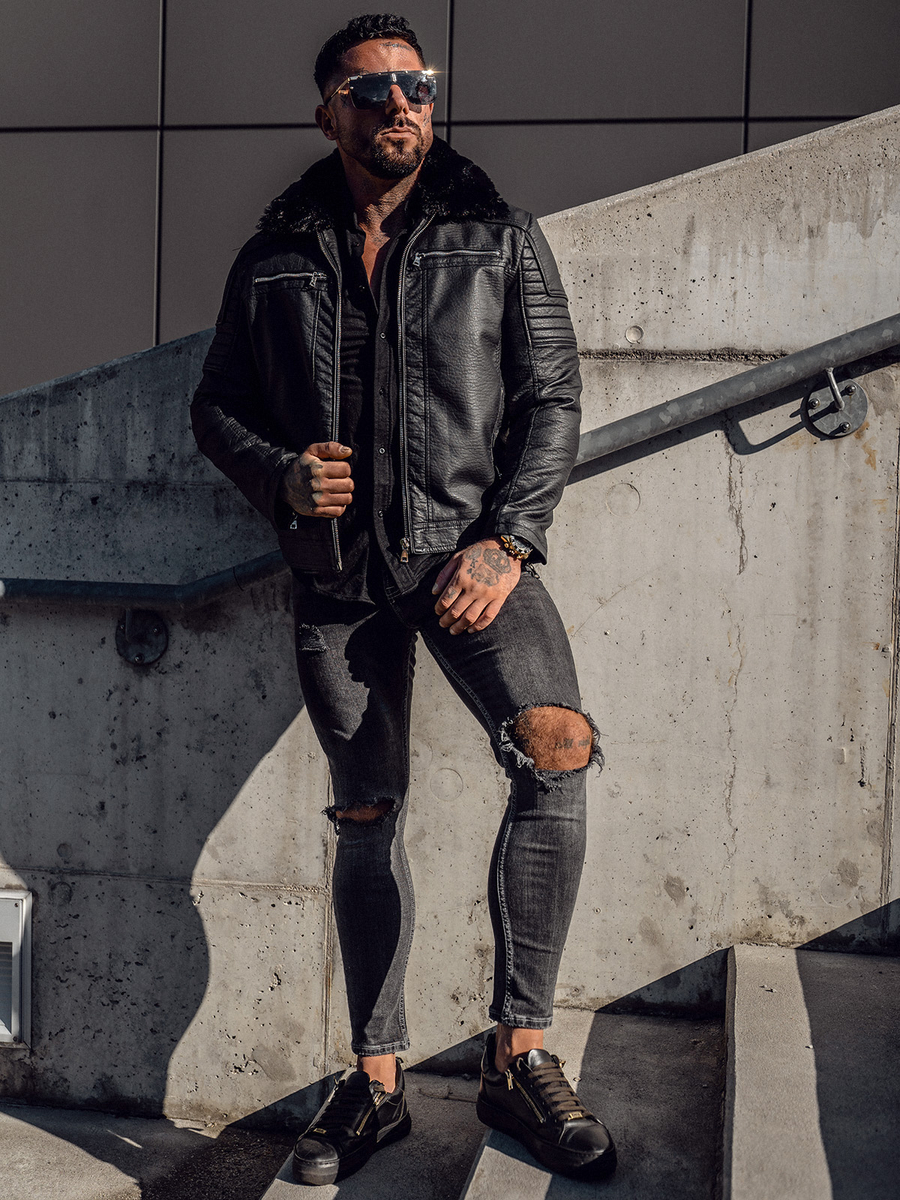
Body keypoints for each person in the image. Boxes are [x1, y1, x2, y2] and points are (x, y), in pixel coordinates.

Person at [191, 12, 616, 1187]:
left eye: (416, 83)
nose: (398, 103)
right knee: (367, 814)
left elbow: (553, 398)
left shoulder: (497, 235)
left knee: (556, 747)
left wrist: (509, 539)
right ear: (328, 112)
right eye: (369, 88)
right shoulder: (275, 256)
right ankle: (375, 1084)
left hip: (465, 561)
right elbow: (216, 404)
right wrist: (280, 474)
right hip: (339, 581)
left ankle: (517, 1058)